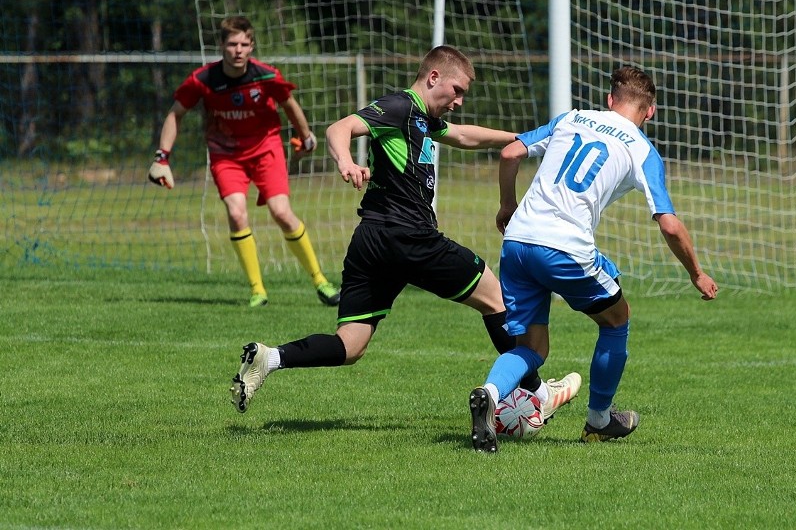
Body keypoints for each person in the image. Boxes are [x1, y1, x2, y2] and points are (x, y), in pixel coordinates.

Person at [230, 45, 581, 420]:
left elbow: (463, 136)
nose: (458, 101)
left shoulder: (423, 120)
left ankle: (269, 358)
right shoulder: (400, 106)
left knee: (350, 346)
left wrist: (525, 137)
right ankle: (539, 394)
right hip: (407, 235)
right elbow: (340, 127)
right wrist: (347, 161)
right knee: (496, 298)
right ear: (433, 77)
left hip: (371, 241)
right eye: (457, 90)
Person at [469, 65, 719, 453]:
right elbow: (669, 226)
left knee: (533, 347)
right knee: (617, 319)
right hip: (564, 246)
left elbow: (510, 151)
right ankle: (599, 421)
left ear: (609, 100)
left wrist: (507, 205)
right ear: (650, 112)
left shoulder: (573, 118)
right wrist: (697, 272)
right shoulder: (642, 149)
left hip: (517, 241)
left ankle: (490, 390)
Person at [147, 16, 340, 308]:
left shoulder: (265, 75)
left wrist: (306, 137)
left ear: (251, 47)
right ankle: (257, 291)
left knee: (282, 212)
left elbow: (289, 104)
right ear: (222, 46)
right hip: (226, 155)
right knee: (236, 214)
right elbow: (176, 114)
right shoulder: (202, 79)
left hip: (266, 150)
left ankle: (321, 282)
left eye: (244, 44)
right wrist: (162, 158)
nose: (238, 50)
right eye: (232, 43)